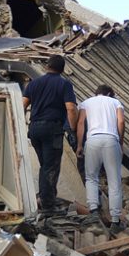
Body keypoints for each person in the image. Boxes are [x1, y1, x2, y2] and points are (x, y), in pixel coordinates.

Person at [23, 55, 77, 215]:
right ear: (62, 69)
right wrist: (72, 128)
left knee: (46, 166)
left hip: (34, 129)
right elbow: (71, 108)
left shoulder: (34, 83)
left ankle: (48, 198)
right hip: (52, 129)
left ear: (47, 66)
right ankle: (48, 206)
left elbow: (23, 104)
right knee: (50, 167)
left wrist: (20, 125)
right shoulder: (64, 84)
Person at [76, 84, 125, 232]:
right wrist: (120, 143)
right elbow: (121, 122)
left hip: (92, 141)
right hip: (111, 140)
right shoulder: (116, 102)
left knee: (91, 177)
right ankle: (115, 221)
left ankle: (93, 212)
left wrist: (79, 144)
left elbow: (80, 123)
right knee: (114, 180)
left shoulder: (86, 102)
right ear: (110, 93)